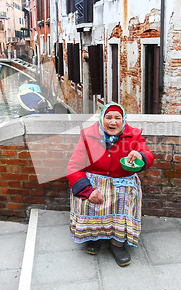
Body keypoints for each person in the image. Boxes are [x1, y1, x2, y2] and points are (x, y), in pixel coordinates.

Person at [67, 103, 154, 267]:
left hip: (122, 182)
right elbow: (74, 167)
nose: (112, 122)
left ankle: (117, 244)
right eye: (108, 117)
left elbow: (147, 154)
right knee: (87, 201)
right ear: (102, 119)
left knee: (123, 198)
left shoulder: (134, 136)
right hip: (94, 181)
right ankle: (94, 237)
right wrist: (88, 190)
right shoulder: (88, 135)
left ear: (123, 120)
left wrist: (140, 156)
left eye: (117, 118)